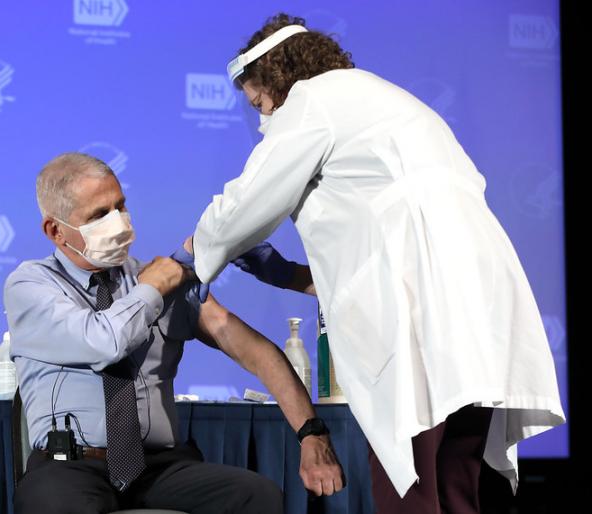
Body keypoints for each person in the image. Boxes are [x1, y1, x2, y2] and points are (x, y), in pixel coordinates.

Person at [184, 13, 565, 514]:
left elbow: (252, 196)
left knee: (408, 482)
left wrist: (195, 253)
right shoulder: (390, 102)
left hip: (417, 306)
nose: (262, 119)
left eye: (259, 102)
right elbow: (375, 244)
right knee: (458, 480)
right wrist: (288, 275)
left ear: (279, 78)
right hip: (482, 302)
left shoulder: (312, 100)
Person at [4, 152, 344, 514]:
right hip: (70, 466)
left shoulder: (159, 277)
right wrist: (152, 289)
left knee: (255, 495)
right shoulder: (32, 285)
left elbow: (256, 353)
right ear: (55, 231)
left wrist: (312, 434)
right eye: (99, 215)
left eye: (120, 206)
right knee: (59, 505)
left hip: (158, 467)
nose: (118, 222)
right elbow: (104, 342)